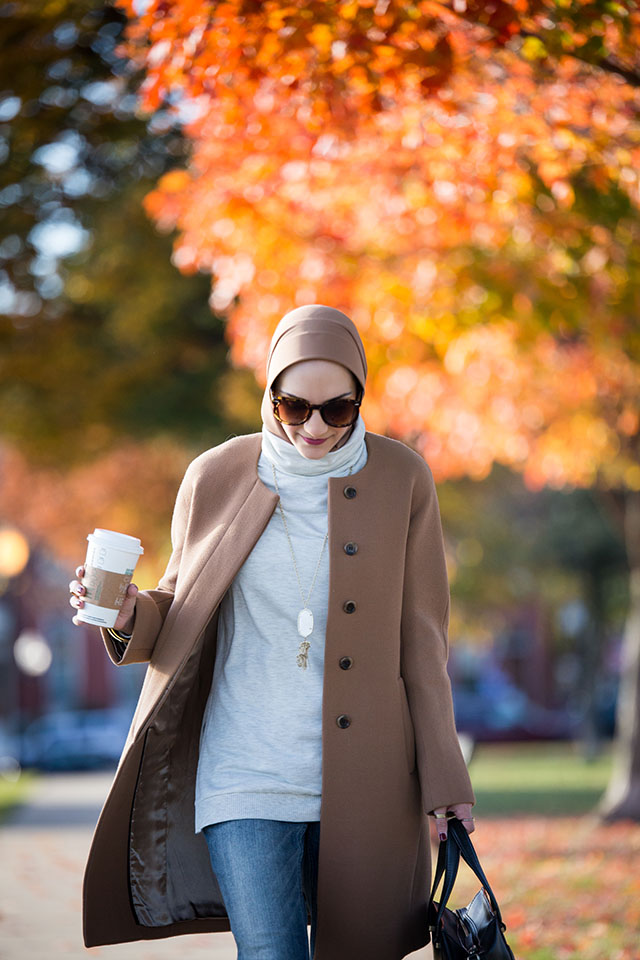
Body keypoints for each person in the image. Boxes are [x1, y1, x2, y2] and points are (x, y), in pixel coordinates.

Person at [69, 304, 475, 960]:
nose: (314, 426)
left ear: (360, 399)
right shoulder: (217, 474)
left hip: (369, 780)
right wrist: (123, 613)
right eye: (294, 406)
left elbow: (422, 645)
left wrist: (446, 785)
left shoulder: (403, 480)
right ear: (269, 395)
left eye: (337, 410)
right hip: (244, 773)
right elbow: (179, 602)